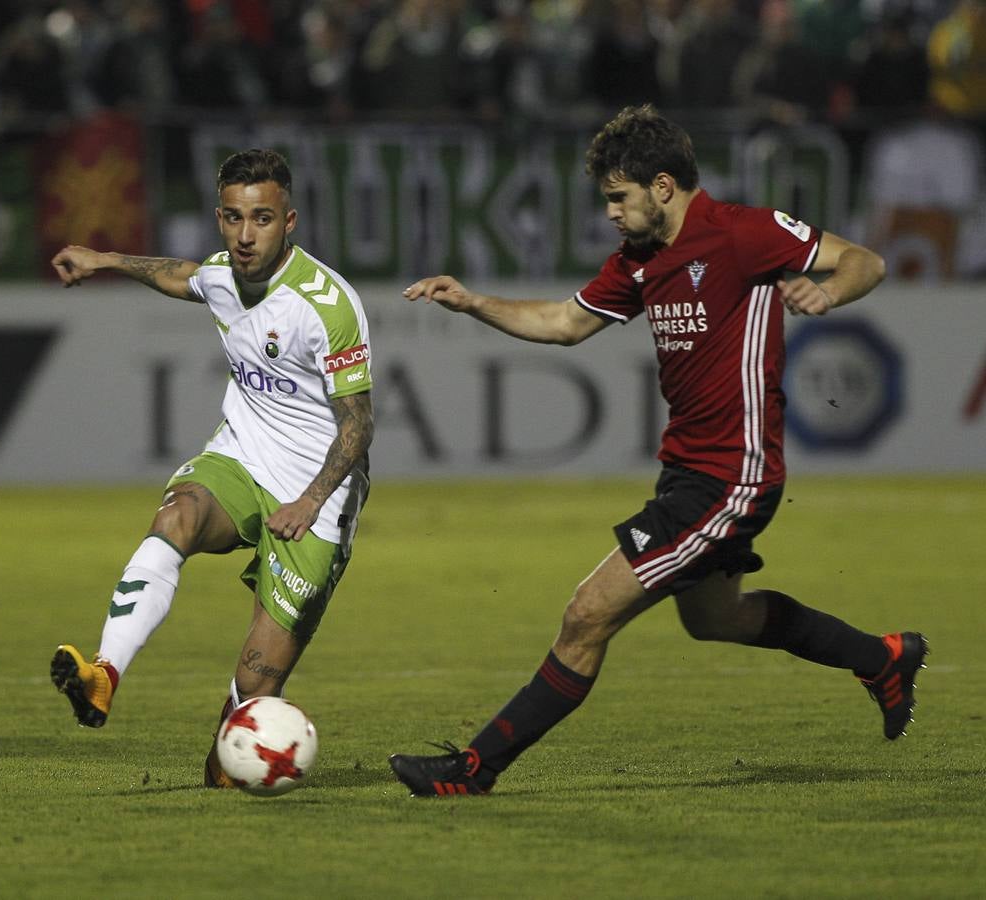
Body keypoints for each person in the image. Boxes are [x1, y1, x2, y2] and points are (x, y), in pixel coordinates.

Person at [388, 105, 925, 797]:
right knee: (716, 618)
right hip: (687, 472)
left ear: (662, 186)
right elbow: (564, 323)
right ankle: (880, 658)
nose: (610, 212)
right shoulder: (641, 262)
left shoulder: (742, 233)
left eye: (619, 197)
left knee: (587, 613)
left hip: (733, 474)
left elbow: (865, 260)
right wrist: (472, 302)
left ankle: (472, 769)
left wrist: (827, 291)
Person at [49, 148, 373, 787]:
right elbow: (184, 274)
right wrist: (106, 258)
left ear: (290, 221)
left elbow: (359, 424)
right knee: (177, 517)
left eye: (261, 219)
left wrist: (308, 501)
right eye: (232, 218)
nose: (245, 236)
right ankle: (103, 674)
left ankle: (228, 764)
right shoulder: (226, 273)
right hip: (240, 458)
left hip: (316, 495)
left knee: (251, 697)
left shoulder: (328, 305)